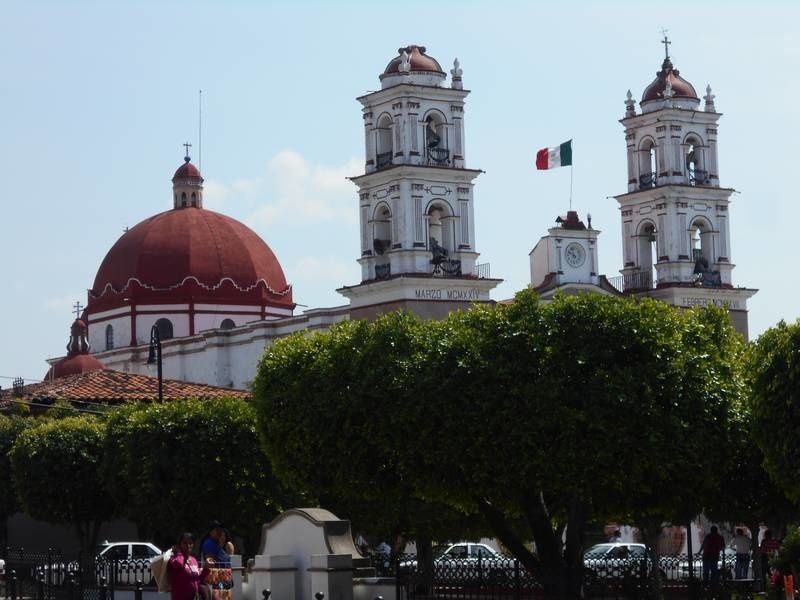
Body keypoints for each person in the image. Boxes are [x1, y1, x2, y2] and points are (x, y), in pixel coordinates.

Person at [167, 533, 208, 600]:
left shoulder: (194, 560)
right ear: (179, 544)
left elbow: (198, 580)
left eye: (190, 543)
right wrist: (179, 553)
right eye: (184, 543)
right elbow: (179, 564)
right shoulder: (175, 559)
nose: (188, 545)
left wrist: (206, 568)